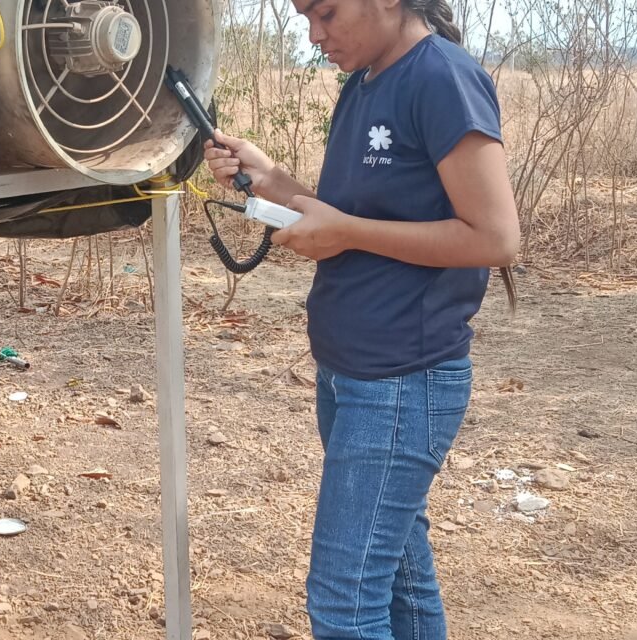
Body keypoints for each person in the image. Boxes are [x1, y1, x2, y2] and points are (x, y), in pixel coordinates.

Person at [203, 0, 520, 637]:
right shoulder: (365, 82)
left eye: (326, 13)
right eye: (303, 19)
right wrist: (271, 181)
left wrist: (344, 231)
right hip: (352, 372)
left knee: (345, 606)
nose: (315, 35)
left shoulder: (441, 79)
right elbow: (354, 215)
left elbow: (495, 238)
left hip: (403, 380)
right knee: (401, 581)